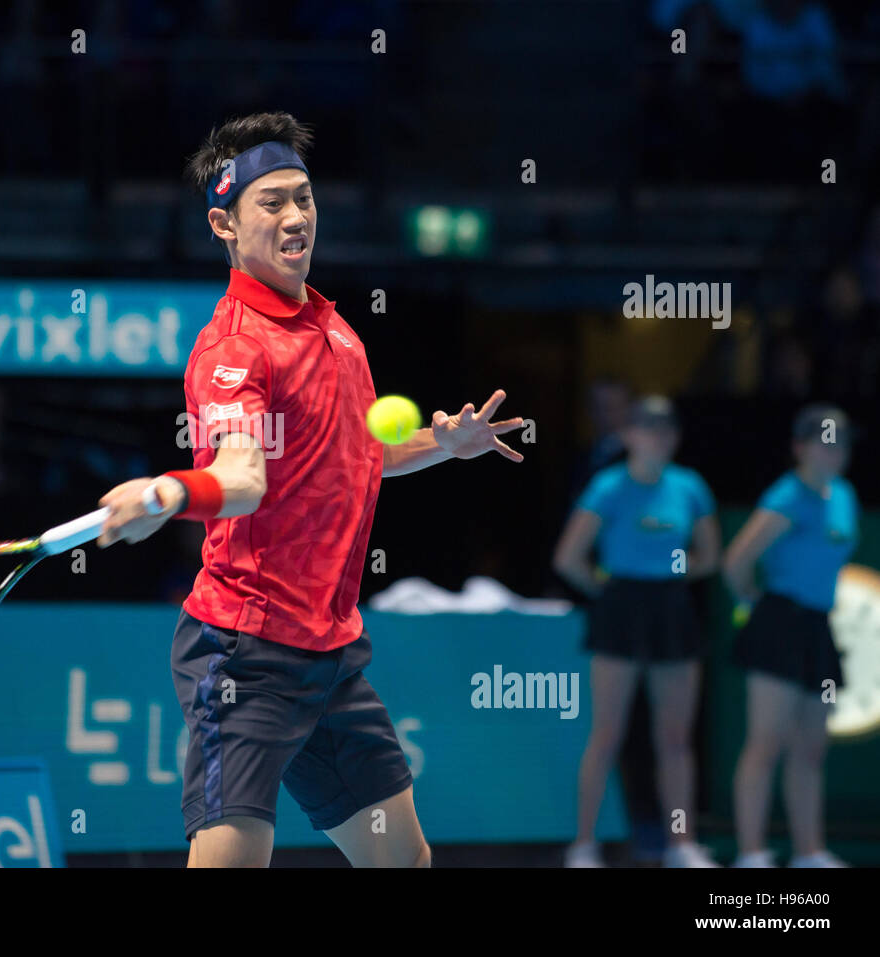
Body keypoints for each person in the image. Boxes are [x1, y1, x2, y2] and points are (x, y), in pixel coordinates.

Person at [93, 112, 526, 867]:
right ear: (223, 223)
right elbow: (240, 477)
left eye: (305, 197)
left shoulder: (334, 329)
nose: (296, 218)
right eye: (272, 202)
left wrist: (443, 445)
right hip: (245, 655)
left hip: (331, 651)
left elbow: (358, 455)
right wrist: (167, 492)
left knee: (404, 861)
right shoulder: (234, 348)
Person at [553, 396, 721, 867]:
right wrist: (609, 589)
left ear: (676, 436)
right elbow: (568, 558)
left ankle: (680, 845)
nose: (658, 438)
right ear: (629, 436)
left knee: (674, 737)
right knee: (606, 733)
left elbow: (709, 557)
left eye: (666, 430)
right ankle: (583, 845)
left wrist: (665, 575)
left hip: (671, 609)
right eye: (648, 429)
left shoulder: (690, 487)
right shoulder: (607, 486)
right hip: (620, 611)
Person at [723, 403, 857, 867]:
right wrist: (751, 604)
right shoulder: (786, 496)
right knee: (766, 743)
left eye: (841, 442)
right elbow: (736, 561)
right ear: (800, 448)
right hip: (777, 623)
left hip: (817, 628)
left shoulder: (844, 496)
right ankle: (752, 853)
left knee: (811, 748)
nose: (835, 451)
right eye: (825, 442)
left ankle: (809, 851)